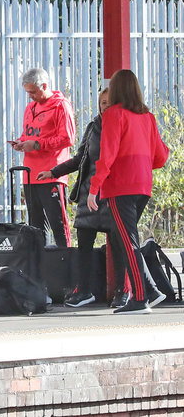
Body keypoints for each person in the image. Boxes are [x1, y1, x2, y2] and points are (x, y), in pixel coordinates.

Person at [37, 88, 129, 308]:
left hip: (112, 192)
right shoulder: (93, 126)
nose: (105, 106)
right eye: (102, 103)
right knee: (83, 246)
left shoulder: (124, 125)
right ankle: (84, 290)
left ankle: (122, 292)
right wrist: (54, 171)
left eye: (109, 102)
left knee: (118, 245)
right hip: (88, 191)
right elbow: (80, 158)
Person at [88, 69, 169, 314]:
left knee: (127, 241)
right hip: (143, 185)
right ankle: (148, 292)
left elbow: (108, 155)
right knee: (128, 238)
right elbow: (161, 156)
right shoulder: (148, 117)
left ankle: (140, 298)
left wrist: (94, 188)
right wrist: (141, 163)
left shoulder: (113, 114)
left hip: (121, 185)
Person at [10, 68, 75, 247]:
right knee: (35, 227)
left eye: (33, 92)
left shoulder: (61, 105)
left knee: (58, 224)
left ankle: (66, 262)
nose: (30, 96)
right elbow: (28, 134)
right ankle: (39, 267)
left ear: (44, 86)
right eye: (27, 92)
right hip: (30, 173)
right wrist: (20, 143)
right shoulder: (30, 108)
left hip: (51, 172)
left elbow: (68, 138)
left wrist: (38, 145)